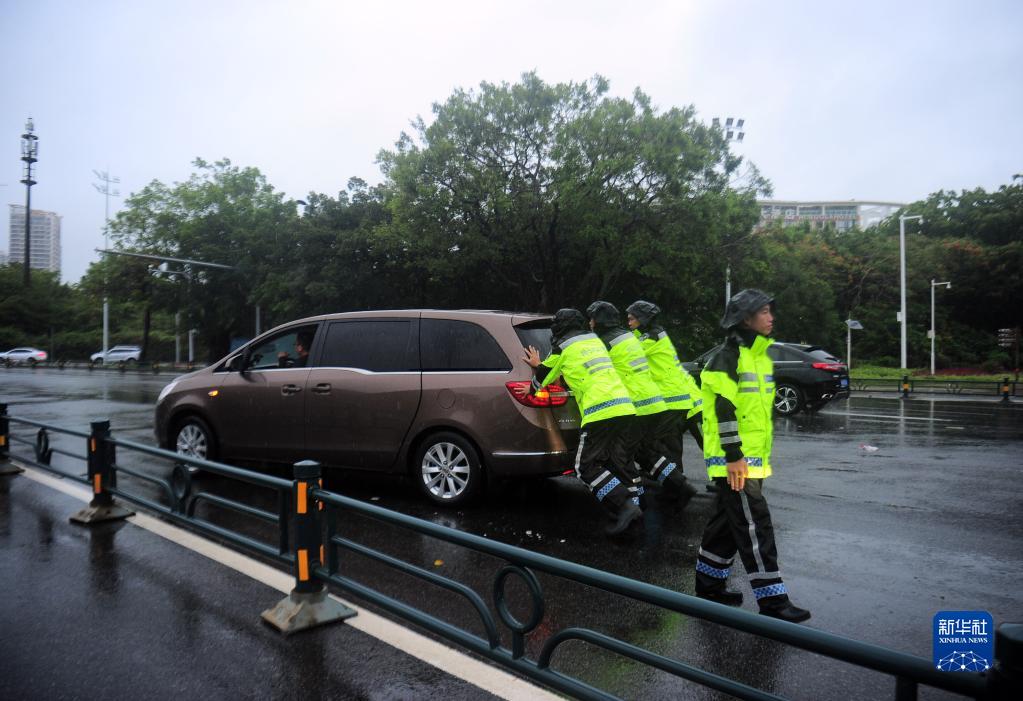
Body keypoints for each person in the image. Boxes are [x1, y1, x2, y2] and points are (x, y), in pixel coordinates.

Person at [693, 289, 811, 623]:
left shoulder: (759, 356)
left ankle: (709, 586)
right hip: (734, 459)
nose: (771, 316)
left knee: (726, 526)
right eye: (764, 311)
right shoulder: (726, 357)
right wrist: (734, 456)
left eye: (771, 310)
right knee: (755, 525)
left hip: (749, 458)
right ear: (746, 318)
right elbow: (724, 409)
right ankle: (773, 601)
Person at [521, 309, 643, 536]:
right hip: (625, 406)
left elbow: (541, 381)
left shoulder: (562, 346)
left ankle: (625, 507)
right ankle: (633, 511)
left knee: (585, 467)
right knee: (619, 462)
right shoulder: (594, 339)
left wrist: (532, 383)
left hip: (599, 410)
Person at [586, 300, 696, 506]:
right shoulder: (646, 335)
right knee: (646, 449)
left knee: (625, 453)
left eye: (632, 318)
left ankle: (635, 500)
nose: (629, 322)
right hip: (660, 400)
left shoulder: (649, 338)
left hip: (660, 400)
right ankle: (677, 485)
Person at [625, 300, 704, 479]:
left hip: (678, 397)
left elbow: (629, 355)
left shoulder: (652, 336)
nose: (628, 323)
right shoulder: (650, 334)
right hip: (681, 396)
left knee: (674, 441)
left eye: (631, 319)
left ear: (642, 318)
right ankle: (674, 477)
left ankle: (676, 481)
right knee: (670, 441)